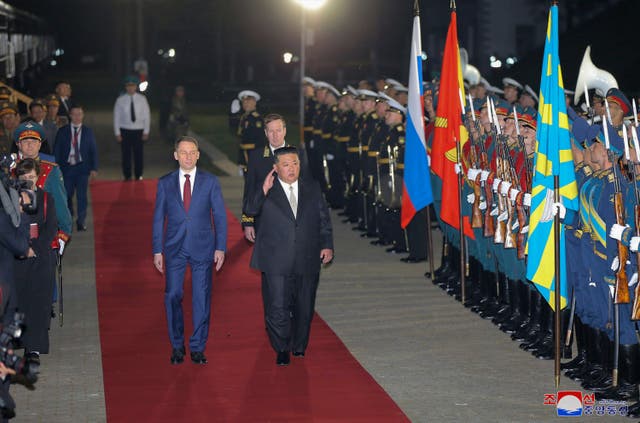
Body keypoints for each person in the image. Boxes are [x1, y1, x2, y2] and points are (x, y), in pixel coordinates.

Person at [246, 146, 333, 366]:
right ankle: (281, 347)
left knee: (304, 305)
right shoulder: (267, 189)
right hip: (275, 258)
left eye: (295, 163)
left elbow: (324, 220)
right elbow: (250, 209)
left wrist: (327, 245)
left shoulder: (312, 188)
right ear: (276, 168)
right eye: (285, 165)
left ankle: (299, 345)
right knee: (277, 305)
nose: (291, 168)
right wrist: (263, 190)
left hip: (307, 255)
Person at [152, 136, 227, 366]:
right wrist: (157, 250)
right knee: (173, 294)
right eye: (183, 152)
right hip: (174, 247)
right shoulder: (165, 183)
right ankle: (177, 345)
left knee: (201, 298)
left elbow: (220, 216)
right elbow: (158, 219)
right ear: (175, 155)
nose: (187, 156)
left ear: (198, 155)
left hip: (203, 247)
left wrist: (220, 247)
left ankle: (197, 346)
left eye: (192, 152)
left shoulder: (210, 181)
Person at [13, 159, 58, 362]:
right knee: (21, 302)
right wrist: (22, 249)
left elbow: (50, 229)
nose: (28, 181)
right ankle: (21, 341)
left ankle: (34, 349)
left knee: (39, 304)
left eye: (31, 177)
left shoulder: (47, 199)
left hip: (41, 259)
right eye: (24, 178)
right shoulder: (10, 201)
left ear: (38, 178)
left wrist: (35, 249)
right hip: (18, 258)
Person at [54, 105, 98, 232]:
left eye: (79, 114)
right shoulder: (63, 131)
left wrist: (94, 168)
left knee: (82, 196)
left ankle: (81, 221)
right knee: (66, 195)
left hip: (82, 169)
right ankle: (68, 216)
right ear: (70, 115)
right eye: (74, 114)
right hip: (67, 168)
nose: (77, 117)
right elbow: (57, 150)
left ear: (83, 115)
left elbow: (93, 150)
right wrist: (55, 167)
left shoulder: (88, 131)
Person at [113, 75, 151, 181]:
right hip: (125, 130)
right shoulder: (120, 100)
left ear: (136, 87)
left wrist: (146, 131)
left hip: (139, 130)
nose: (130, 88)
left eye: (133, 85)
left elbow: (147, 116)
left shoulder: (142, 99)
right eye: (128, 86)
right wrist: (117, 133)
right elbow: (116, 117)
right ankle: (127, 175)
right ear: (125, 87)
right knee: (126, 155)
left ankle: (139, 175)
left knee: (138, 154)